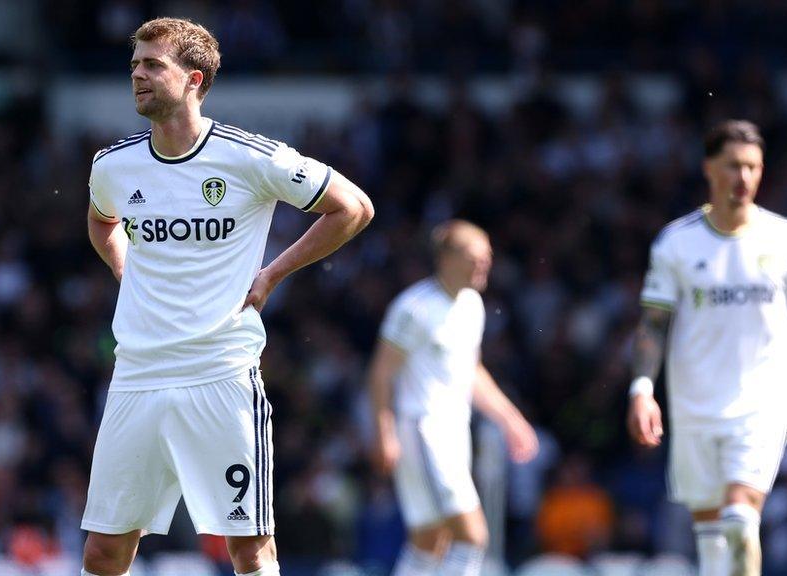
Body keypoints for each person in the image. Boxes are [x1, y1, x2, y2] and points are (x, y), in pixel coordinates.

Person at [82, 17, 374, 576]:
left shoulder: (248, 157)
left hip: (220, 374)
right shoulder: (112, 165)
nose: (137, 75)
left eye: (152, 65)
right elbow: (102, 223)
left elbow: (353, 207)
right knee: (104, 553)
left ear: (194, 79)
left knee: (249, 551)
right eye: (134, 64)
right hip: (137, 375)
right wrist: (126, 271)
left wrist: (270, 276)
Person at [627, 120, 787, 576]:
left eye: (752, 167)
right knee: (710, 541)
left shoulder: (784, 238)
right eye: (733, 166)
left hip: (761, 404)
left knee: (739, 514)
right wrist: (642, 389)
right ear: (709, 168)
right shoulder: (677, 243)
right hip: (695, 406)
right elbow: (654, 322)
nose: (743, 178)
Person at [367, 220, 538, 576]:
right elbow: (381, 373)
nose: (485, 264)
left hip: (453, 431)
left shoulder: (472, 304)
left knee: (429, 539)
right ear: (446, 258)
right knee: (473, 536)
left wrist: (510, 419)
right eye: (476, 257)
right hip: (424, 430)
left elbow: (471, 371)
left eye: (488, 257)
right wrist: (384, 433)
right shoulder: (413, 308)